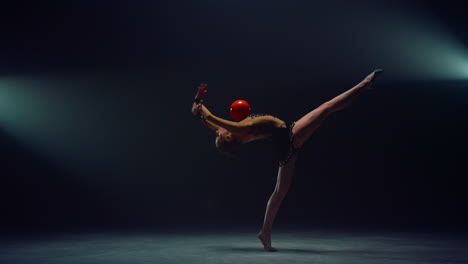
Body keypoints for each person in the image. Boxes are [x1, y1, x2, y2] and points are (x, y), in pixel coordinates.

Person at [191, 69, 383, 251]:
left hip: (287, 139)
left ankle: (265, 233)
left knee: (279, 192)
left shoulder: (229, 132)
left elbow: (199, 113)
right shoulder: (238, 130)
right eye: (218, 134)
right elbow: (214, 119)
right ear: (227, 138)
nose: (217, 131)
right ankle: (363, 84)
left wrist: (198, 98)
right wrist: (203, 109)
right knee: (326, 109)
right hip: (290, 139)